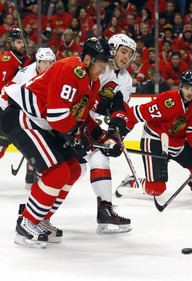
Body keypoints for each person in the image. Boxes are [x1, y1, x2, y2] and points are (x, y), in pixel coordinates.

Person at [0, 37, 113, 248]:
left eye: (105, 66)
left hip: (40, 122)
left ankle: (40, 218)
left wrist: (103, 138)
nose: (103, 70)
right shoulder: (72, 68)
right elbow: (58, 117)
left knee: (73, 169)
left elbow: (82, 117)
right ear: (87, 59)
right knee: (57, 172)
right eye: (100, 65)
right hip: (21, 116)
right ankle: (26, 223)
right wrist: (79, 135)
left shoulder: (92, 82)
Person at [116, 71, 192, 197]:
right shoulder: (168, 101)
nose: (190, 92)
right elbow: (136, 114)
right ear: (180, 86)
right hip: (155, 139)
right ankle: (131, 182)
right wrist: (119, 136)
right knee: (156, 189)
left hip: (177, 143)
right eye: (186, 88)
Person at [87, 33, 136, 234]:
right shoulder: (100, 66)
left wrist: (115, 134)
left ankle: (105, 210)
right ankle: (36, 212)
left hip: (92, 126)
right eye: (124, 51)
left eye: (130, 54)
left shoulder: (125, 79)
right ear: (113, 49)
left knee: (101, 158)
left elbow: (120, 108)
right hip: (75, 120)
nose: (127, 57)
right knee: (71, 168)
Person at [11, 47, 56, 189]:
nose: (48, 66)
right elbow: (12, 92)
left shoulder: (57, 72)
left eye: (51, 62)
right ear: (37, 62)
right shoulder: (26, 74)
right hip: (22, 110)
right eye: (44, 62)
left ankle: (35, 170)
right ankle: (32, 170)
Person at [0, 28, 32, 159]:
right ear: (12, 43)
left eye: (24, 42)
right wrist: (19, 76)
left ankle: (31, 173)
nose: (22, 45)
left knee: (31, 143)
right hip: (3, 108)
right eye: (19, 42)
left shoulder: (27, 61)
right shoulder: (6, 60)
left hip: (17, 109)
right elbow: (2, 88)